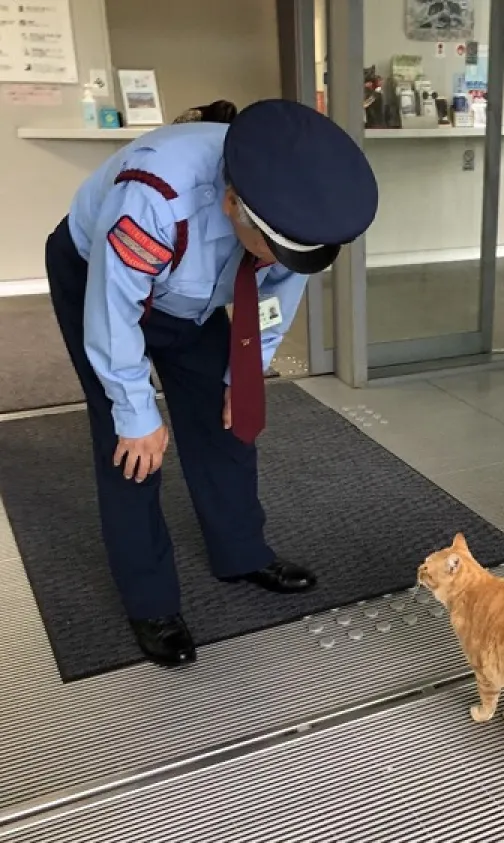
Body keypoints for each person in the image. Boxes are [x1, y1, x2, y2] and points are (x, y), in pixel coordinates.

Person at [44, 98, 379, 667]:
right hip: (98, 276)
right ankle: (150, 600)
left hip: (192, 297)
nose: (282, 262)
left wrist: (241, 375)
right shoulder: (152, 199)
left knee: (228, 421)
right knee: (131, 447)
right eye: (274, 250)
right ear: (232, 204)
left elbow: (274, 298)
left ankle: (242, 552)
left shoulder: (298, 224)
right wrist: (135, 411)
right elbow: (113, 313)